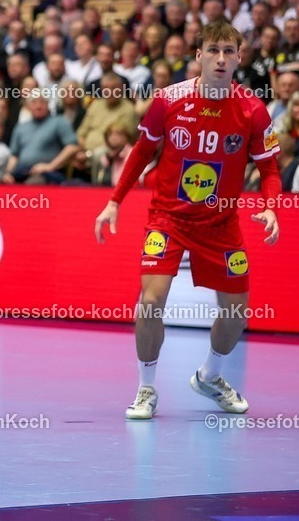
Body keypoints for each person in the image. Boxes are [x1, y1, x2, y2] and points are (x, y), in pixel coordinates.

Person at [94, 21, 281, 421]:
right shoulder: (168, 100)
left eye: (229, 51)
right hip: (168, 220)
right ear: (198, 56)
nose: (220, 58)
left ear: (239, 57)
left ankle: (210, 376)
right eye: (213, 50)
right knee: (149, 301)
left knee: (237, 313)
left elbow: (269, 170)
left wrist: (270, 205)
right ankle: (146, 388)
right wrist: (114, 201)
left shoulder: (252, 109)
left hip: (221, 224)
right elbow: (142, 152)